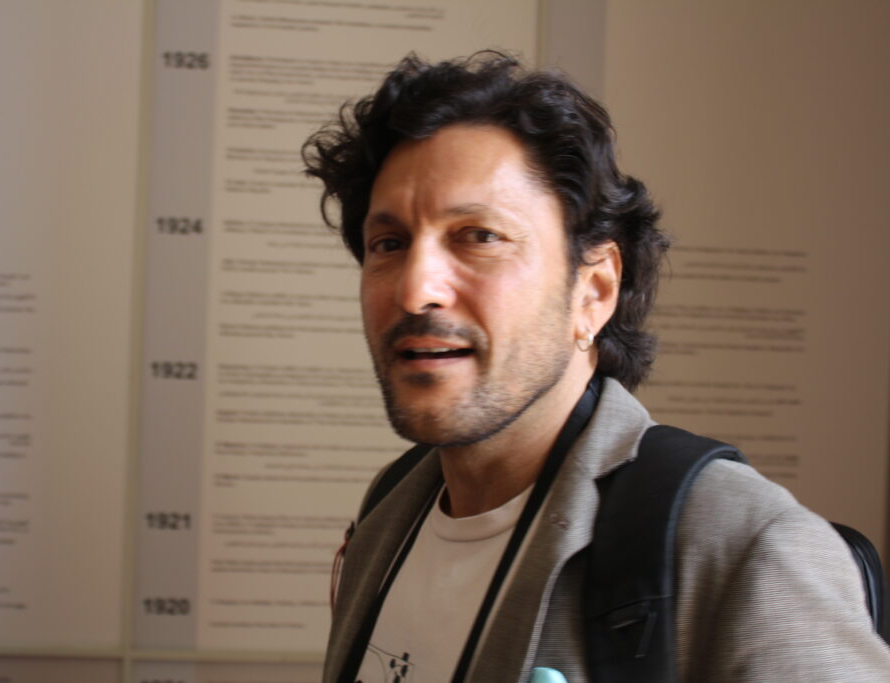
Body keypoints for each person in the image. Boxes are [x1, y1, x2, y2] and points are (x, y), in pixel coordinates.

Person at [302, 52, 890, 682]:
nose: (416, 290)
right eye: (389, 244)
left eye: (479, 236)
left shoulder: (747, 550)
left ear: (595, 290)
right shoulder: (390, 508)